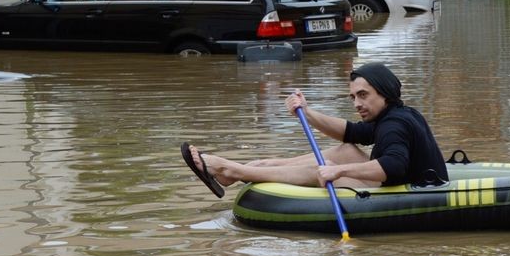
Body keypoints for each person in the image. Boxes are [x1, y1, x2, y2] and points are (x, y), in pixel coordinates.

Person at [182, 63, 448, 197]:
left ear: (385, 92)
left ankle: (231, 170)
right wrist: (307, 114)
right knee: (345, 150)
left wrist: (338, 171)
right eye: (353, 97)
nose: (357, 103)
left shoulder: (394, 125)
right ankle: (255, 165)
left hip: (408, 193)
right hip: (400, 184)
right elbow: (351, 133)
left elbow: (393, 165)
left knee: (325, 168)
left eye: (363, 95)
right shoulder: (395, 113)